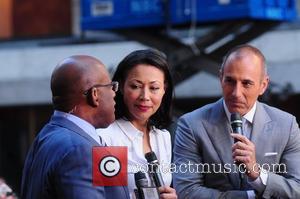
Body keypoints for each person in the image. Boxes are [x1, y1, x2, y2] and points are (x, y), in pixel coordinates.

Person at [173, 44, 300, 198]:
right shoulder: (191, 124)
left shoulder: (286, 125)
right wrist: (249, 196)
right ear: (220, 78)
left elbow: (296, 189)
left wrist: (257, 174)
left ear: (263, 86)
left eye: (246, 83)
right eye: (230, 81)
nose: (236, 93)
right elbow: (187, 191)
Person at [21, 55, 129, 199]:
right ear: (95, 95)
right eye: (111, 86)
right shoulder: (79, 151)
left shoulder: (45, 136)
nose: (114, 93)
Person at [97, 49, 177, 199]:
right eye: (135, 86)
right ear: (120, 87)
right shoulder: (107, 137)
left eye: (154, 88)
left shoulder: (163, 137)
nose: (145, 96)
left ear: (164, 90)